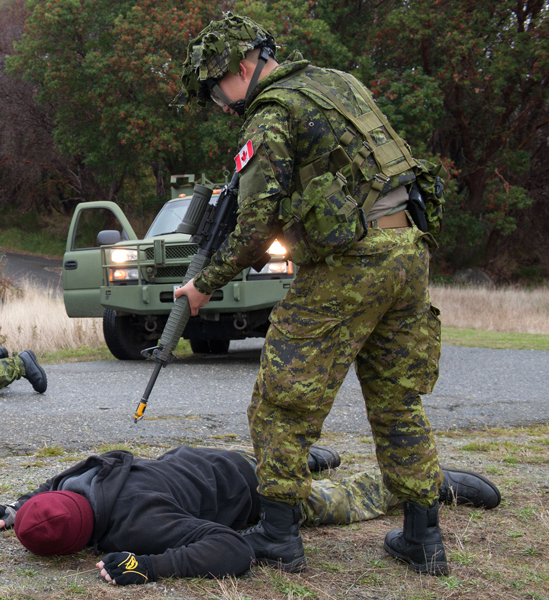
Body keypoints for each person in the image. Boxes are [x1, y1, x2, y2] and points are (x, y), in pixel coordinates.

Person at [171, 13, 451, 575]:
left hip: (349, 265)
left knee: (283, 400)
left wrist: (201, 286)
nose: (220, 105)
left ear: (243, 67)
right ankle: (424, 537)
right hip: (408, 253)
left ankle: (277, 534)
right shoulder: (338, 83)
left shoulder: (271, 113)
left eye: (215, 89)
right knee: (398, 400)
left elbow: (254, 231)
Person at [0, 446, 499, 585]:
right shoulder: (80, 480)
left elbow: (232, 549)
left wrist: (148, 566)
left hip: (249, 488)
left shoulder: (141, 525)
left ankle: (431, 483)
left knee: (332, 501)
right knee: (277, 458)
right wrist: (18, 509)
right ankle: (305, 455)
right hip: (206, 460)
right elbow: (49, 496)